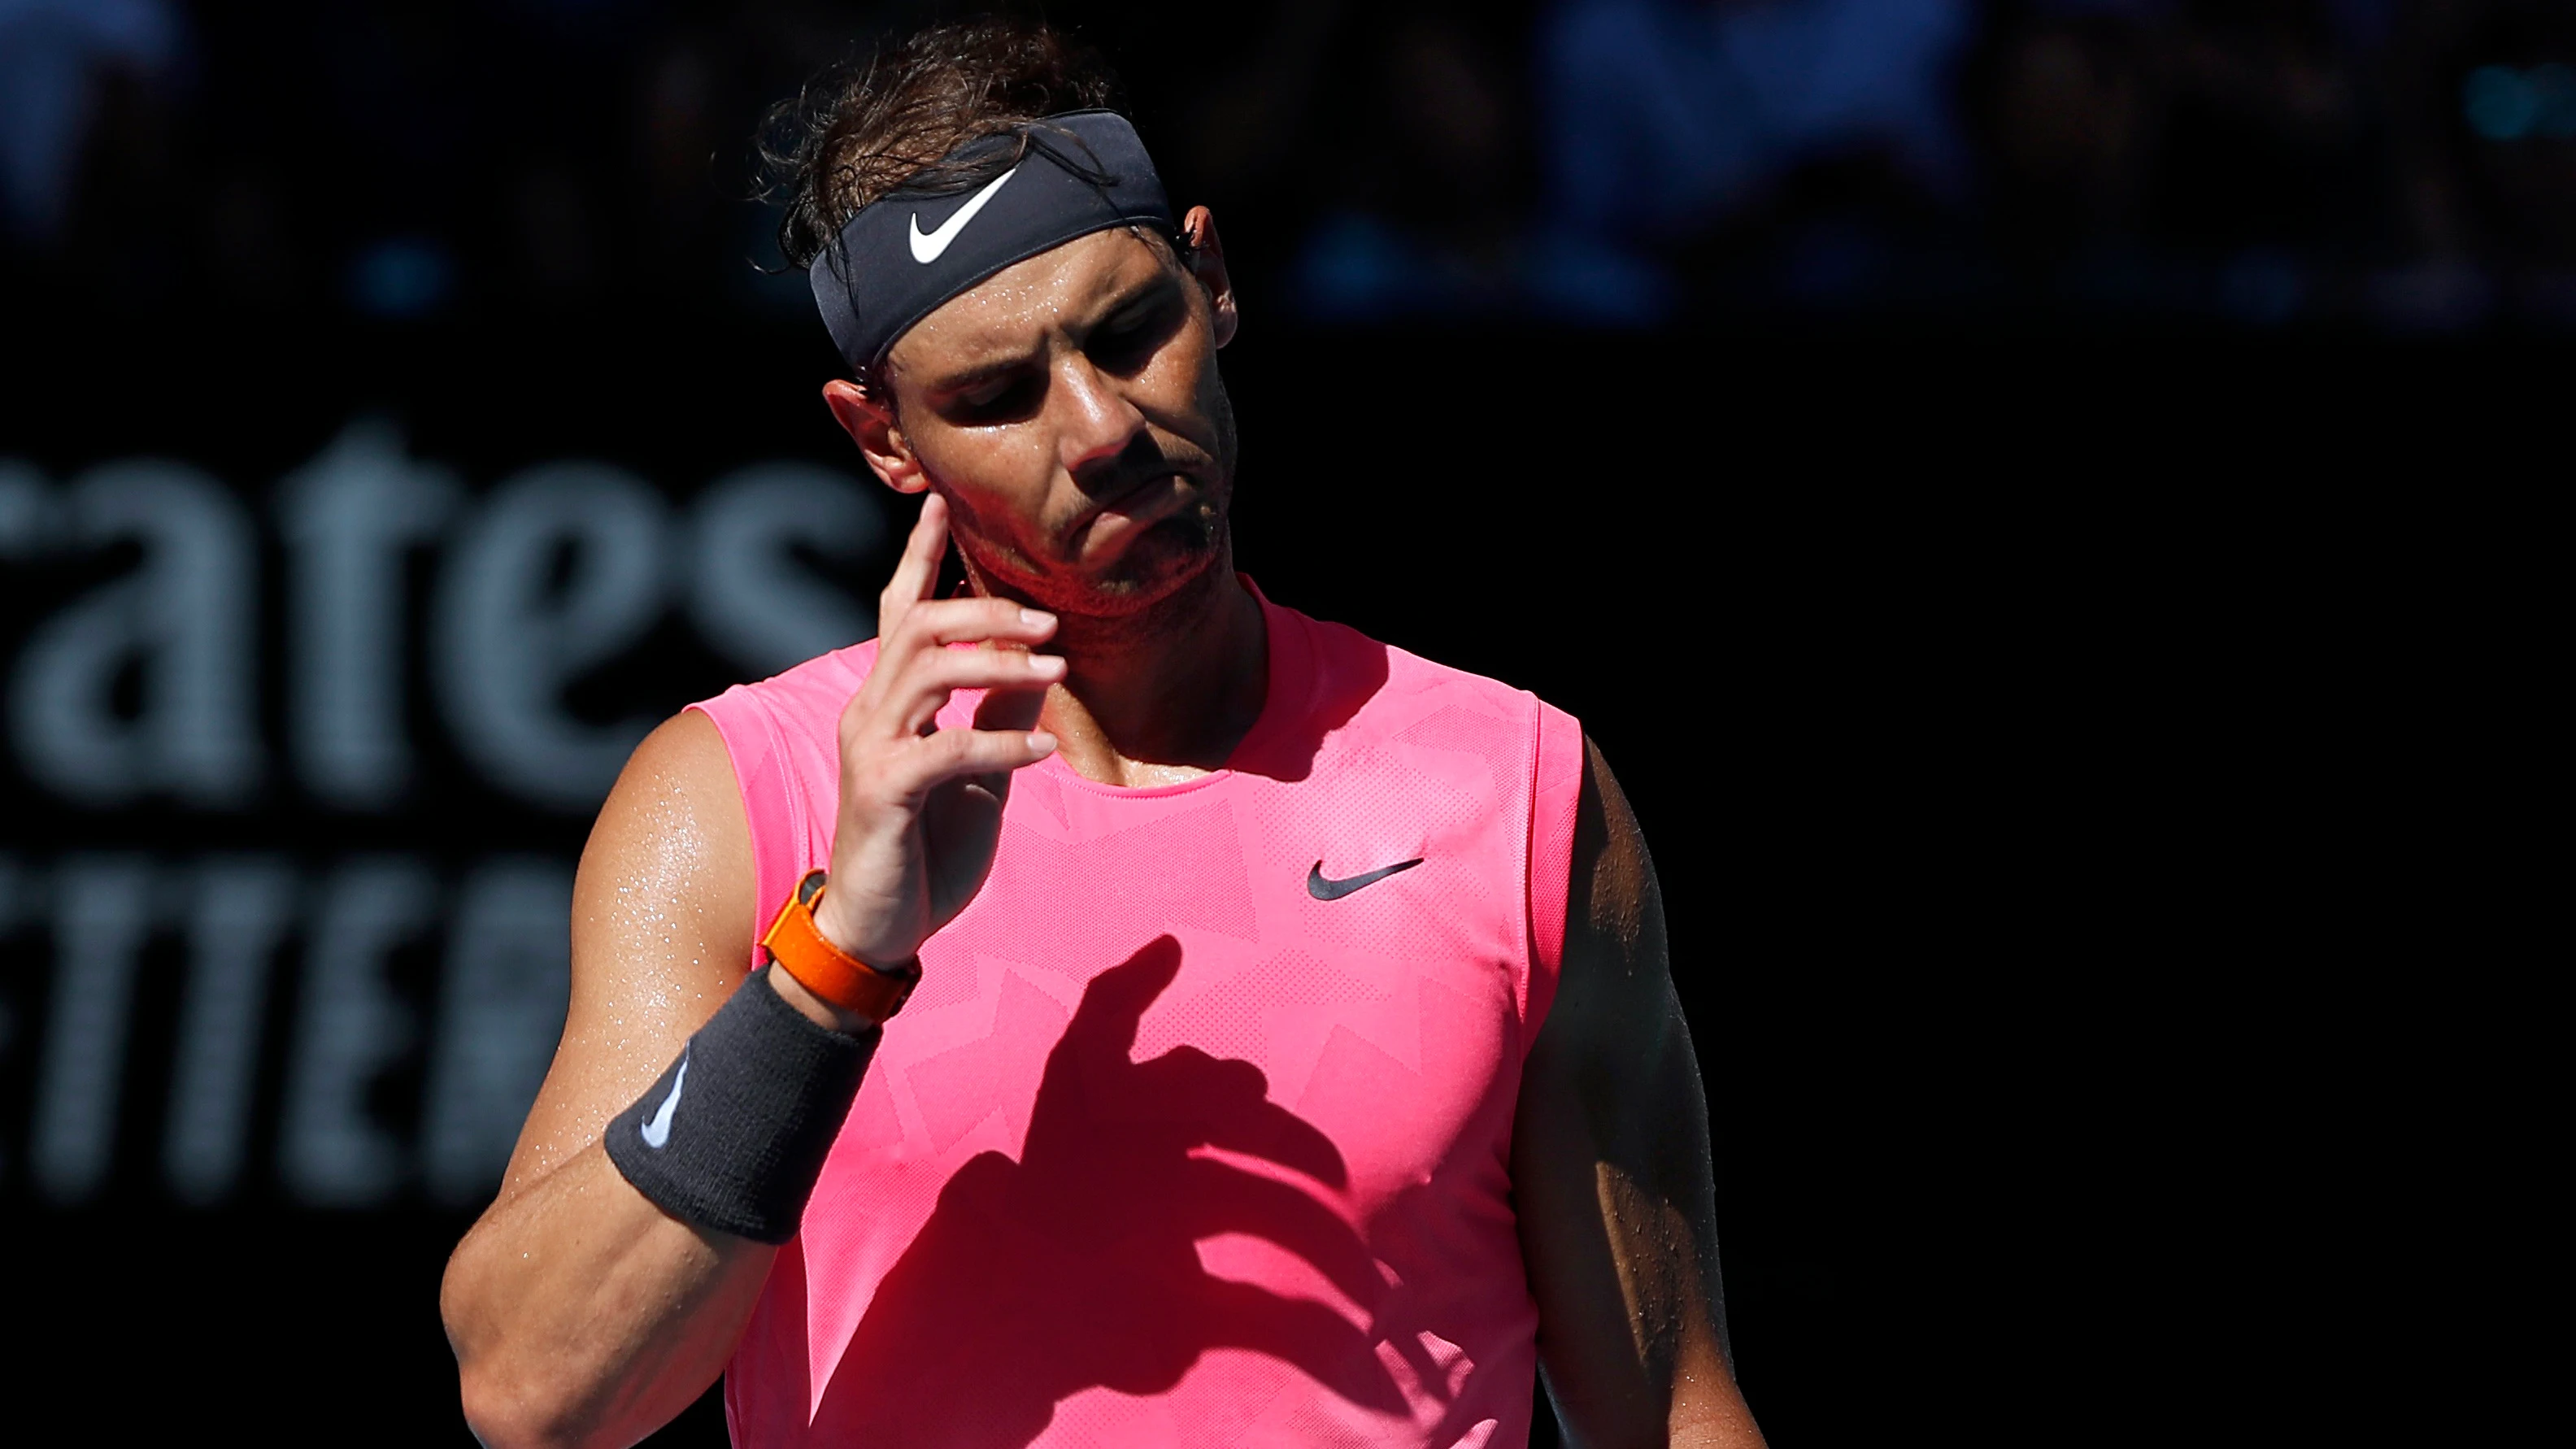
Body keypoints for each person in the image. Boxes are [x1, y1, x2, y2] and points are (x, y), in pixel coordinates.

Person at [438, 19, 1763, 1448]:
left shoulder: (1516, 790)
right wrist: (837, 962)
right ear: (882, 440)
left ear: (1214, 275)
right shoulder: (733, 800)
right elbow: (534, 1392)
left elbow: (1674, 1412)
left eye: (1131, 331)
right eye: (996, 396)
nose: (1098, 427)